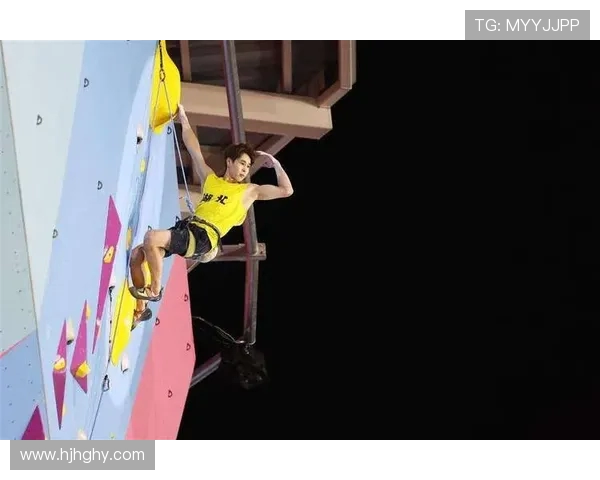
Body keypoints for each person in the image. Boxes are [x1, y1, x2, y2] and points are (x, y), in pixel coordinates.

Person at [128, 103, 294, 314]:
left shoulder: (249, 191)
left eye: (248, 166)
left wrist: (275, 164)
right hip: (188, 228)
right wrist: (184, 118)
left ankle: (154, 290)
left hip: (206, 238)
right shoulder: (210, 179)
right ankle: (141, 310)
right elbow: (194, 149)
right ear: (229, 161)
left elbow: (286, 190)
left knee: (151, 237)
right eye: (242, 163)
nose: (245, 169)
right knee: (137, 255)